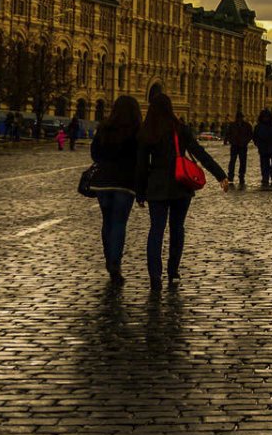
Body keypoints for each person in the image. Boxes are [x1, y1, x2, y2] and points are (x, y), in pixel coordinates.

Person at [134, 89, 228, 289]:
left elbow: (141, 166)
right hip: (180, 184)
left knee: (156, 230)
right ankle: (173, 270)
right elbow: (200, 154)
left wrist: (140, 192)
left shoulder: (147, 131)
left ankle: (154, 275)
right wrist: (220, 175)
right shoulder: (180, 129)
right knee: (177, 229)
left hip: (157, 187)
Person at [87, 94, 142, 287]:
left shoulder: (105, 128)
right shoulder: (136, 131)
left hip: (103, 184)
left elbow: (94, 153)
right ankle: (115, 263)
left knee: (107, 222)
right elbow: (140, 160)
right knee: (119, 223)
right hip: (124, 185)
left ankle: (109, 259)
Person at [252, 108, 272, 187]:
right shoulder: (259, 127)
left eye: (267, 117)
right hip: (263, 148)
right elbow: (255, 137)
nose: (265, 118)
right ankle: (265, 177)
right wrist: (258, 144)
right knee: (264, 164)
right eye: (264, 117)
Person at [224, 112, 254, 188]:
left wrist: (245, 141)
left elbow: (250, 135)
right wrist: (230, 141)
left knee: (242, 161)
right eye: (238, 117)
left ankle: (241, 175)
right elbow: (228, 134)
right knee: (232, 161)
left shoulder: (247, 125)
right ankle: (230, 175)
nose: (239, 119)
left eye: (240, 117)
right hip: (234, 145)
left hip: (243, 146)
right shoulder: (232, 125)